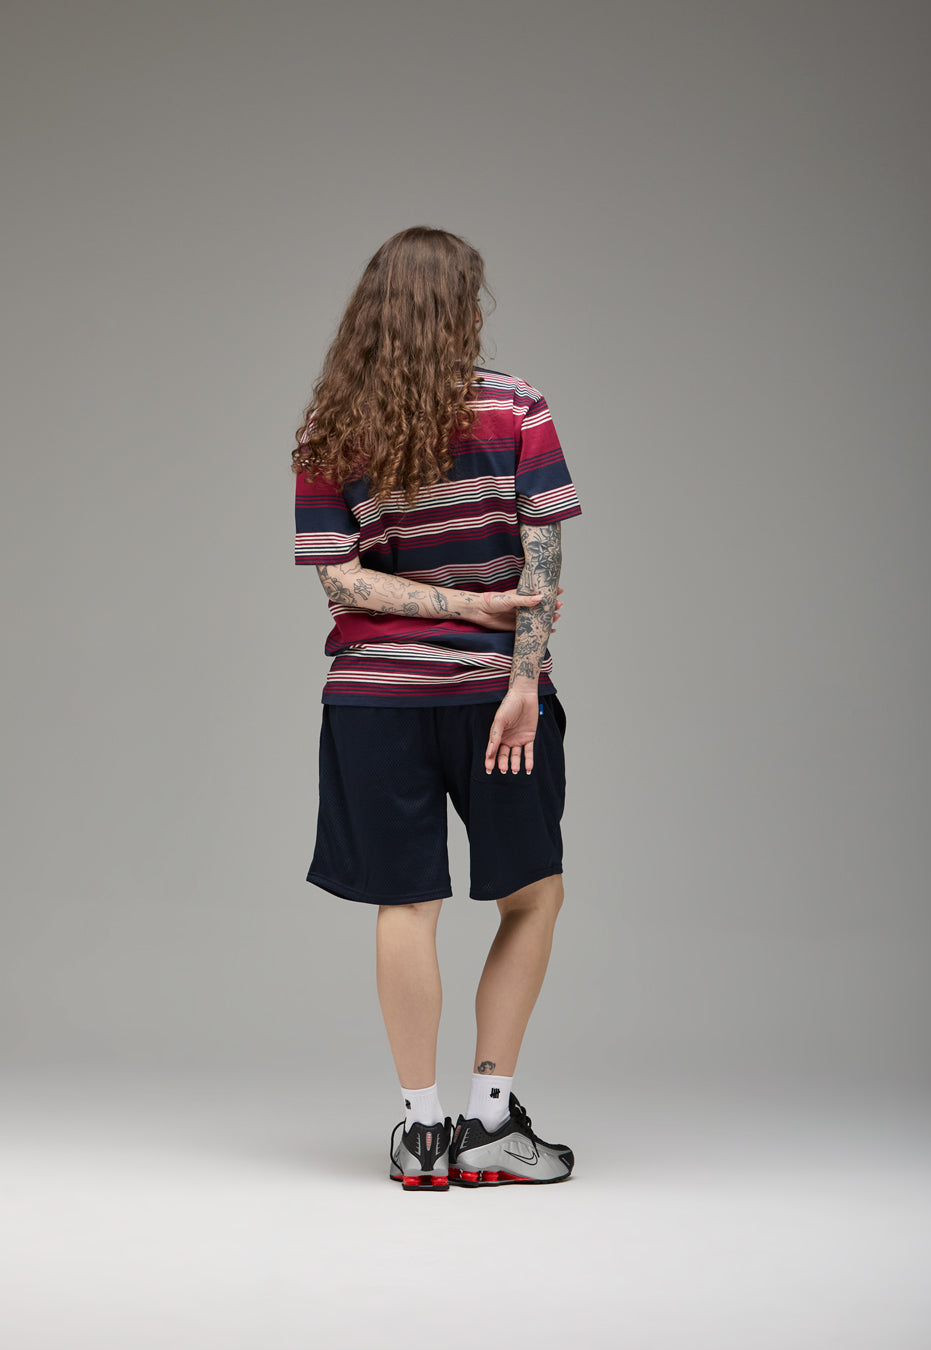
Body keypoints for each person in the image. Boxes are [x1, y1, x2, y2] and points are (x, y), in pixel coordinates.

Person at [290, 226, 583, 1190]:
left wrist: (445, 607)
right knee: (532, 895)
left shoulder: (331, 424)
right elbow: (541, 571)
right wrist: (522, 683)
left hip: (371, 701)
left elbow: (341, 582)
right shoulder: (517, 406)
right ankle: (490, 1123)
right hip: (494, 697)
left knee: (405, 905)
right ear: (464, 307)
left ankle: (422, 1135)